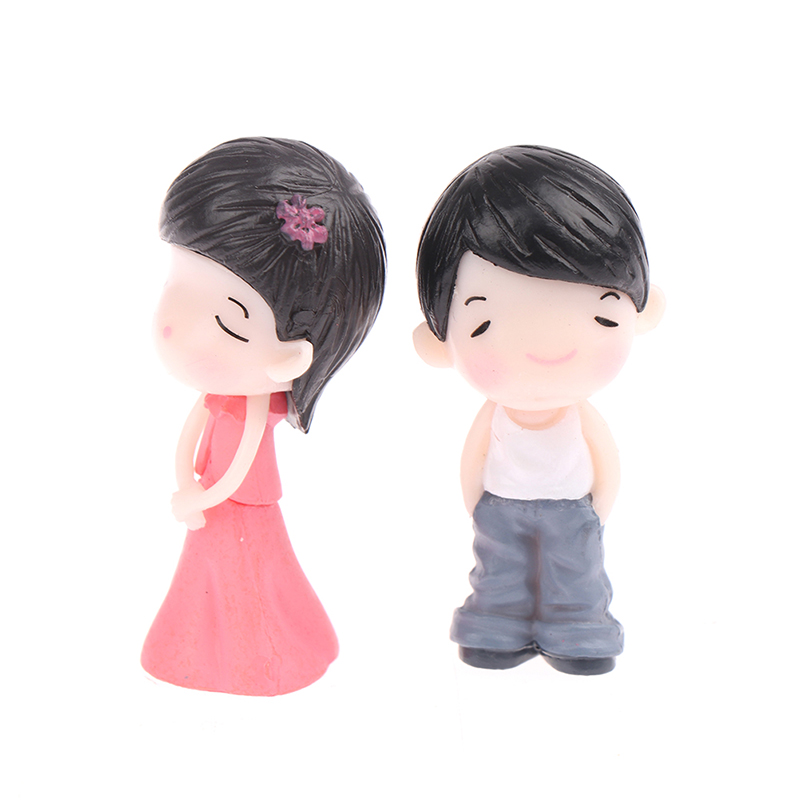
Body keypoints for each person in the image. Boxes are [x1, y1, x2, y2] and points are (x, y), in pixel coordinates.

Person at [141, 138, 385, 695]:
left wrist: (201, 497)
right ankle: (197, 653)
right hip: (211, 502)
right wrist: (188, 486)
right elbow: (189, 439)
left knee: (243, 576)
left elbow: (239, 462)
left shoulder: (255, 406)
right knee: (214, 575)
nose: (176, 323)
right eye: (175, 284)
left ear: (291, 356)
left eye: (229, 322)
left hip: (238, 504)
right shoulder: (221, 395)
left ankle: (258, 660)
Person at [414, 145, 664, 675]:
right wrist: (478, 507)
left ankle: (579, 630)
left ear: (642, 311)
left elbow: (607, 462)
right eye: (483, 324)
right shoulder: (494, 415)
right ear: (440, 342)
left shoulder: (580, 414)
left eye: (600, 317)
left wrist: (596, 512)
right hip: (501, 507)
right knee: (498, 573)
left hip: (571, 510)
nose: (547, 345)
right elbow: (471, 461)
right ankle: (494, 627)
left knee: (576, 575)